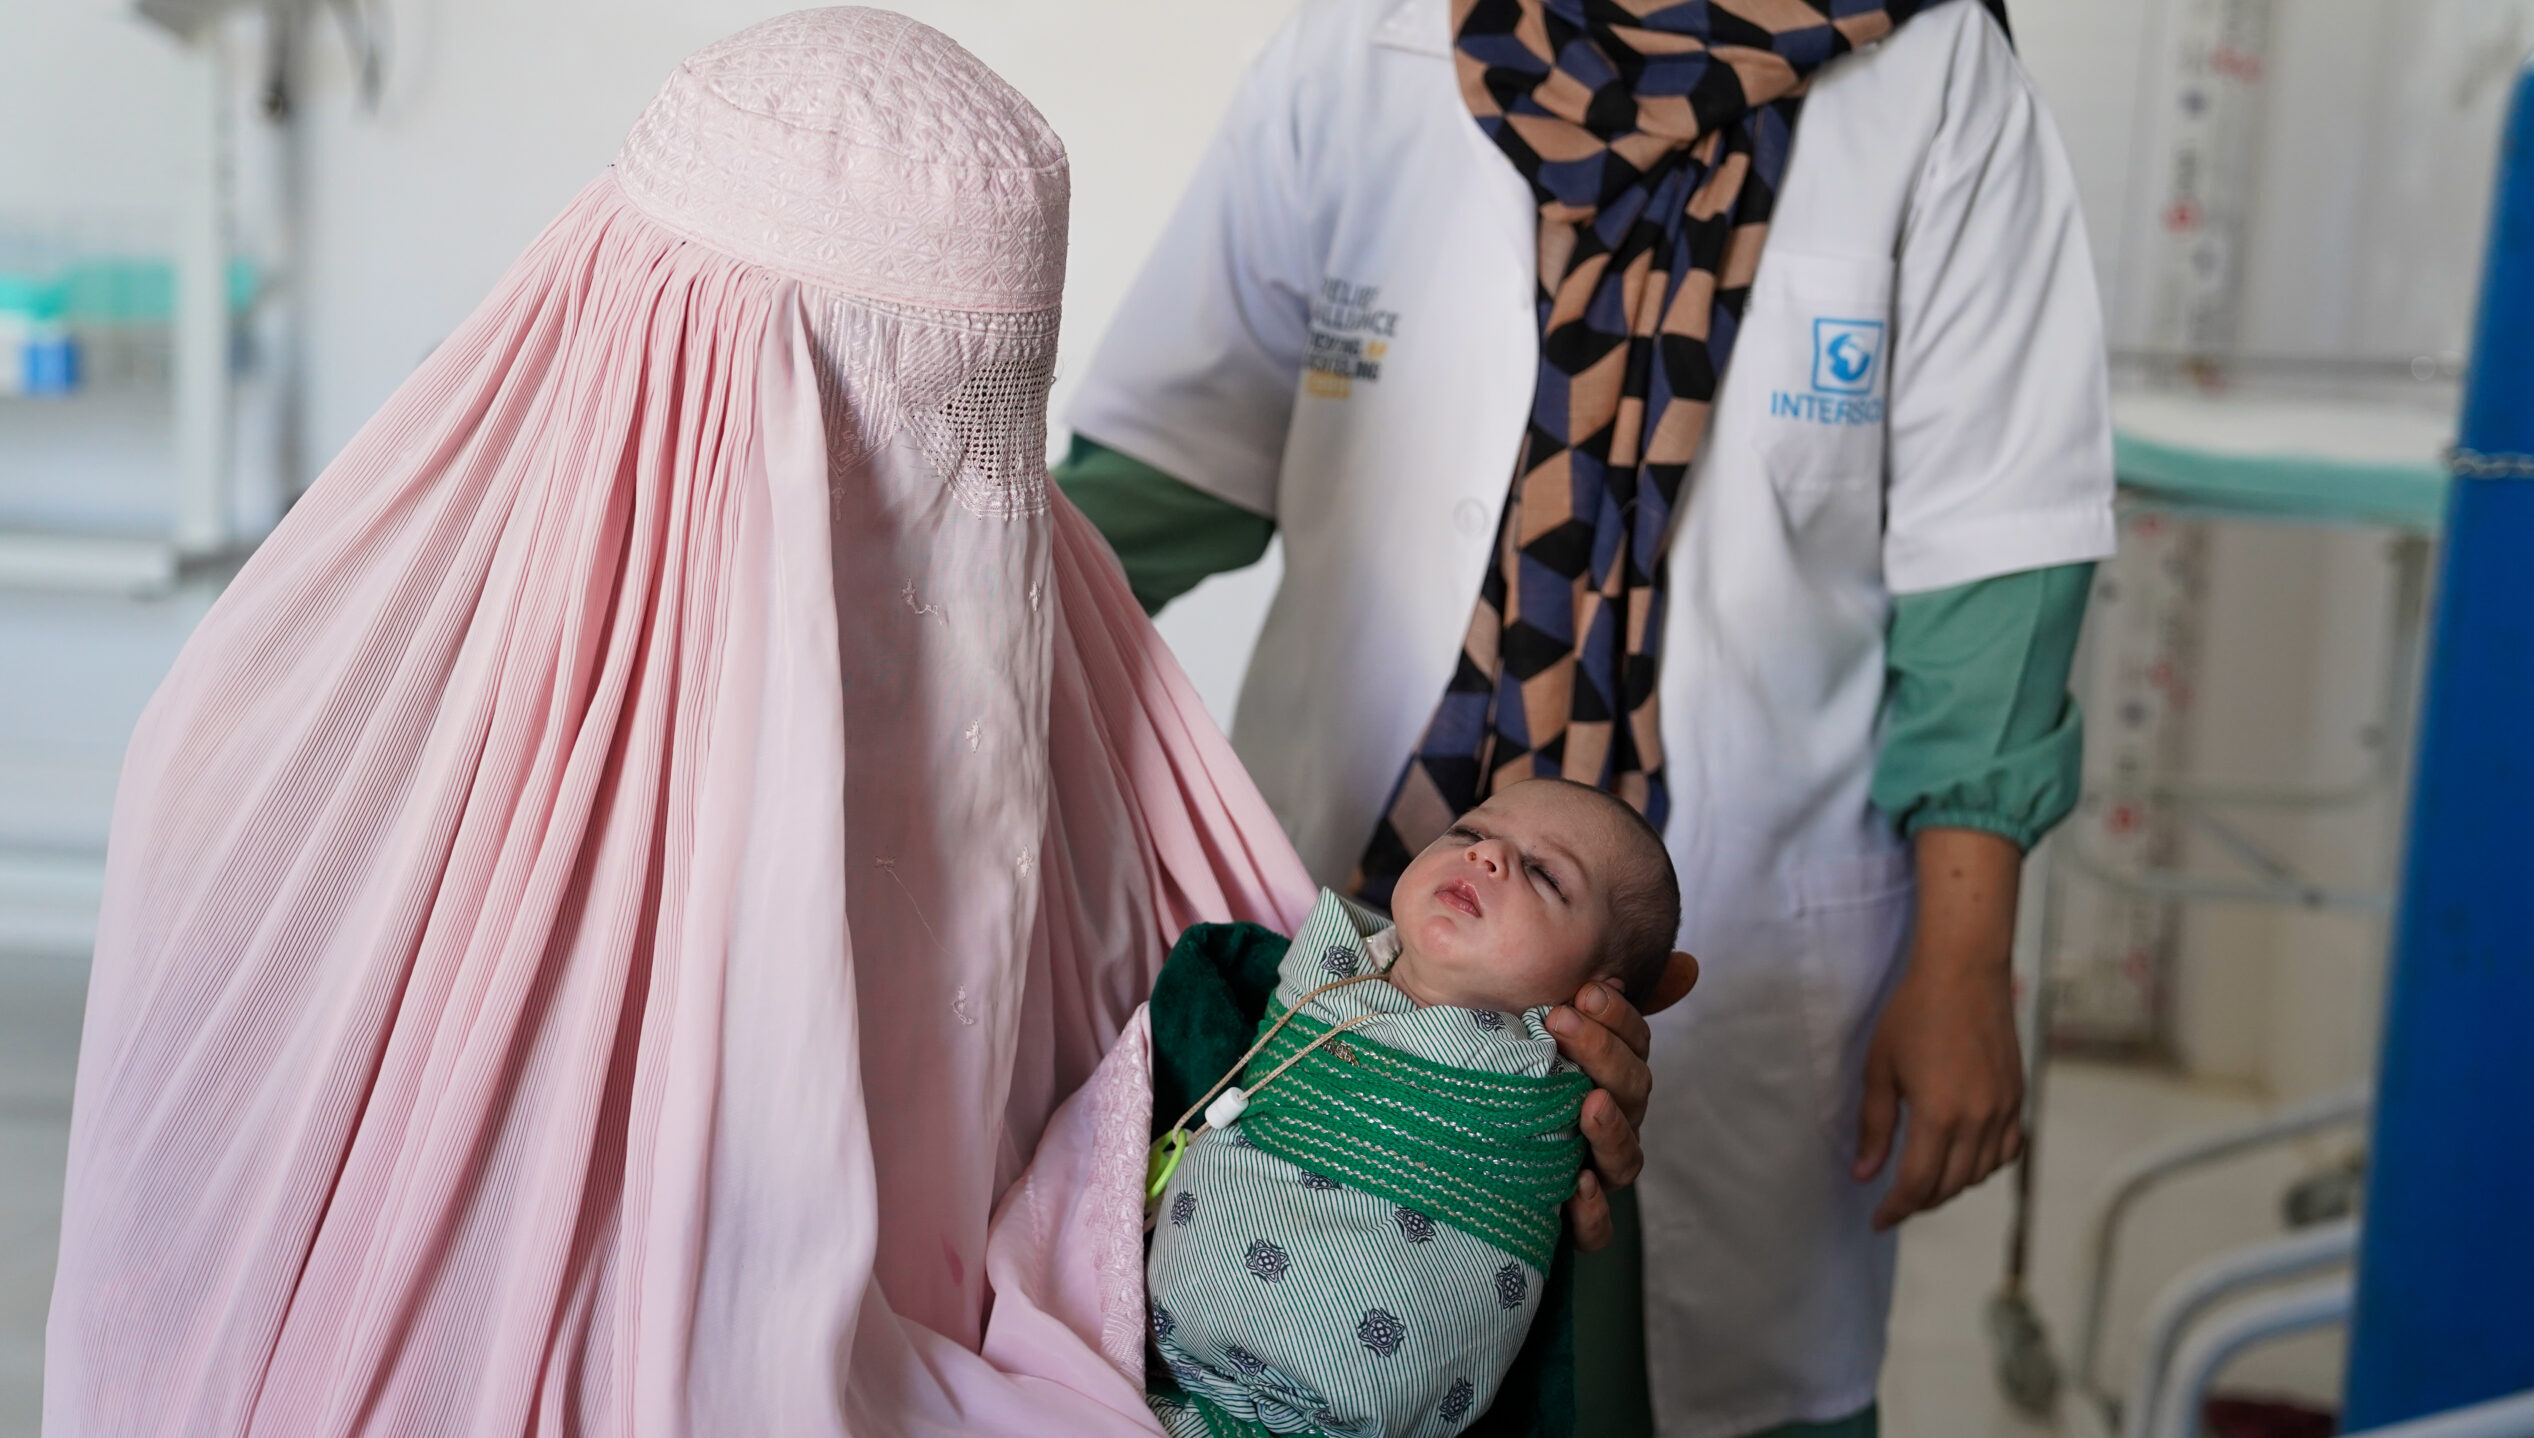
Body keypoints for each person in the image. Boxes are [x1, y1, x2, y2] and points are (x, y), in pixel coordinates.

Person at [45, 12, 1673, 1434]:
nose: (945, 516)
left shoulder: (1087, 787)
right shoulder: (283, 772)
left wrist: (1482, 1103)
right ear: (671, 381)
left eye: (988, 434)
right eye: (872, 432)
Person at [1057, 0, 2116, 1432]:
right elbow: (1165, 467)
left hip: (1744, 929)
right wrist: (914, 637)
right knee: (1276, 1347)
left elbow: (1991, 558)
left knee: (1725, 1391)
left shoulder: (1934, 76)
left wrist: (1966, 958)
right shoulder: (1358, 47)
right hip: (1354, 886)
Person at [1146, 778, 1680, 1438]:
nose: (1486, 855)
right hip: (1161, 1356)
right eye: (1469, 832)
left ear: (1601, 995)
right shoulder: (1324, 973)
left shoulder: (1541, 1073)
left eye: (1545, 875)